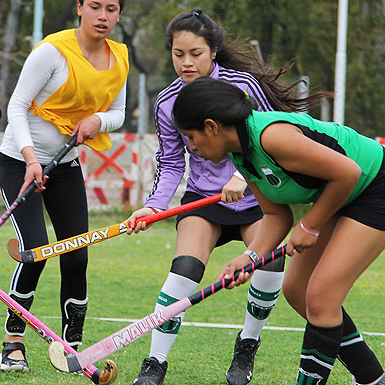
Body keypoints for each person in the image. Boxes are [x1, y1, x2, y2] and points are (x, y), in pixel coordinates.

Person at [123, 8, 324, 385]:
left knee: (269, 265)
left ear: (213, 51)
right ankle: (155, 364)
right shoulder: (167, 102)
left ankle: (247, 346)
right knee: (184, 270)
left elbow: (267, 140)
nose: (186, 62)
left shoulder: (244, 86)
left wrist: (241, 176)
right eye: (178, 54)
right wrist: (154, 206)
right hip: (203, 202)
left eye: (195, 53)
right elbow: (170, 163)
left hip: (255, 202)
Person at [173, 77, 385, 385]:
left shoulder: (272, 137)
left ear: (212, 126)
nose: (192, 147)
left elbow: (348, 172)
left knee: (322, 298)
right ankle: (374, 380)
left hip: (376, 187)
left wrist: (310, 225)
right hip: (343, 194)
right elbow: (275, 214)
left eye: (191, 136)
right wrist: (250, 256)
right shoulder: (240, 154)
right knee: (297, 291)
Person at [0, 0, 128, 373]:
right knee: (36, 251)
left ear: (119, 14)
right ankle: (13, 341)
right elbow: (17, 106)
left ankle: (73, 347)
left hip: (66, 168)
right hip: (20, 164)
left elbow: (118, 112)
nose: (103, 16)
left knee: (77, 255)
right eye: (96, 6)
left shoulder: (119, 58)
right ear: (79, 8)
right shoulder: (52, 52)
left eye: (112, 8)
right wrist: (31, 159)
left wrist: (97, 121)